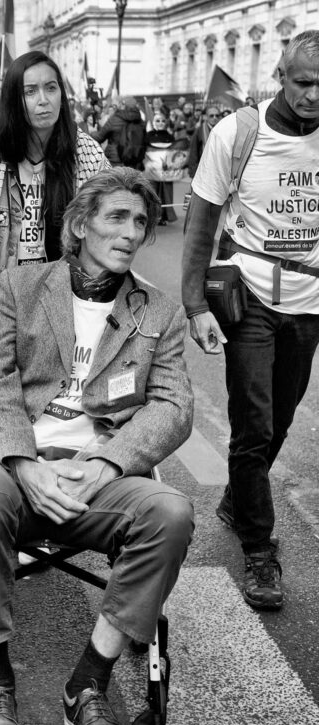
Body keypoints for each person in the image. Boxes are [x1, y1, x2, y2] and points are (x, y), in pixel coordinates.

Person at [0, 168, 193, 725]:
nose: (132, 231)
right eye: (117, 217)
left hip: (96, 475)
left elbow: (173, 406)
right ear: (80, 225)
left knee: (171, 512)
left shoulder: (158, 311)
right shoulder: (22, 285)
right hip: (15, 466)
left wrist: (108, 464)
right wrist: (24, 463)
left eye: (141, 221)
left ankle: (88, 683)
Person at [181, 30, 319, 611]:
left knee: (283, 415)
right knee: (254, 422)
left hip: (309, 297)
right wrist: (194, 306)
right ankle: (260, 550)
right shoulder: (238, 132)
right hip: (253, 295)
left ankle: (241, 496)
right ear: (280, 79)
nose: (313, 94)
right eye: (303, 82)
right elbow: (200, 223)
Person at [0, 51, 108, 419]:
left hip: (68, 301)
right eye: (30, 91)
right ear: (14, 99)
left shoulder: (86, 153)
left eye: (51, 88)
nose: (43, 100)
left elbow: (107, 234)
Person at [93, 95, 146, 169]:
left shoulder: (115, 119)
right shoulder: (141, 122)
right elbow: (144, 141)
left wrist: (89, 134)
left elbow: (99, 137)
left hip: (115, 160)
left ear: (123, 105)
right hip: (134, 161)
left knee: (115, 180)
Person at [144, 112, 178, 224]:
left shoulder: (170, 137)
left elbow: (174, 154)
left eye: (163, 121)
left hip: (165, 169)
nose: (160, 123)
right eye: (157, 121)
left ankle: (163, 216)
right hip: (151, 169)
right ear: (153, 123)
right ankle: (152, 216)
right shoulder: (148, 136)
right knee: (152, 192)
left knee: (165, 194)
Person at [186, 103, 220, 178]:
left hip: (219, 170)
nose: (214, 118)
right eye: (211, 116)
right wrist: (193, 172)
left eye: (217, 115)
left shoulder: (223, 130)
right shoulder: (199, 131)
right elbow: (193, 152)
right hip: (203, 170)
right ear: (206, 117)